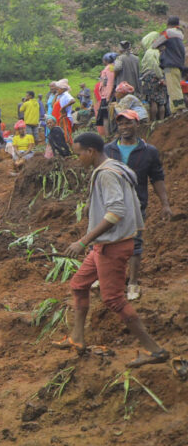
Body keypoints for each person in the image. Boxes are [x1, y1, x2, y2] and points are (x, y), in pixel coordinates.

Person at [56, 132, 169, 368]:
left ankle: (155, 350)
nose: (77, 159)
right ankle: (77, 338)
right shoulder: (114, 166)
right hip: (104, 245)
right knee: (78, 285)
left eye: (79, 154)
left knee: (114, 300)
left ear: (91, 152)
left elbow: (116, 212)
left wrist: (83, 241)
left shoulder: (107, 174)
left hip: (113, 246)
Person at [103, 110, 173, 301]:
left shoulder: (149, 151)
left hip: (136, 204)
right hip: (110, 203)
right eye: (121, 124)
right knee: (107, 240)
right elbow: (99, 177)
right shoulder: (108, 150)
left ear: (137, 124)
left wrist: (165, 204)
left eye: (128, 123)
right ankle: (108, 278)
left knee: (135, 243)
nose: (124, 128)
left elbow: (157, 178)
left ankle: (132, 283)